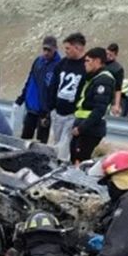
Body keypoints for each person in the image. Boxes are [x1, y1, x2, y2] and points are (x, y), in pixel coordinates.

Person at [70, 47, 115, 164]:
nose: (85, 64)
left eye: (88, 61)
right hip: (83, 127)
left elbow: (99, 109)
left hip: (90, 129)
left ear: (97, 61)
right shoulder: (93, 78)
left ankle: (79, 182)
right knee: (75, 158)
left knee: (80, 162)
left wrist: (81, 128)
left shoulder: (104, 80)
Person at [48, 32, 87, 162]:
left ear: (78, 48)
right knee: (56, 145)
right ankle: (54, 166)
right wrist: (50, 107)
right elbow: (53, 85)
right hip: (58, 112)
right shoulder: (62, 64)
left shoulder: (86, 66)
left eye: (68, 48)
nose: (66, 51)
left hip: (73, 113)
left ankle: (61, 170)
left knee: (64, 148)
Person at [15, 35, 61, 143]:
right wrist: (21, 99)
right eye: (44, 49)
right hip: (31, 108)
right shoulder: (38, 61)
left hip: (45, 111)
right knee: (25, 139)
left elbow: (56, 90)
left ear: (55, 49)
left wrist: (49, 108)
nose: (46, 52)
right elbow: (29, 81)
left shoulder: (59, 65)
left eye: (49, 50)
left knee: (41, 142)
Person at [105, 43, 125, 117]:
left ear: (116, 55)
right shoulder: (100, 62)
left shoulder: (118, 69)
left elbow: (118, 88)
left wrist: (116, 104)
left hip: (108, 98)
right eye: (107, 54)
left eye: (111, 55)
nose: (108, 57)